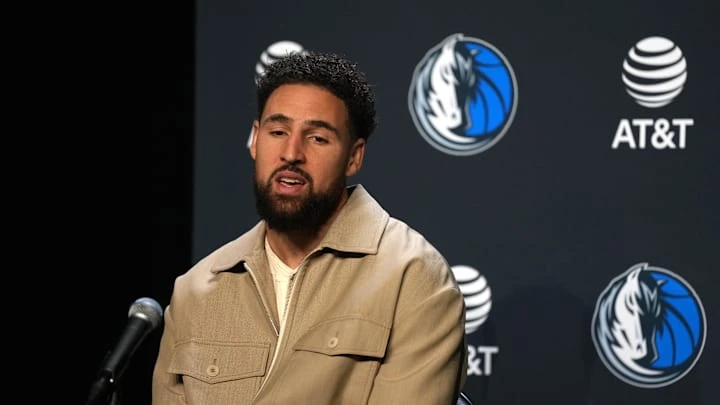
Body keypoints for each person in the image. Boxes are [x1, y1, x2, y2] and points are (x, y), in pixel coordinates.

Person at [152, 50, 468, 405]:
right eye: (277, 131)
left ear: (354, 156)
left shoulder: (413, 278)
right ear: (255, 139)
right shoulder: (196, 291)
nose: (291, 152)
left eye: (317, 138)